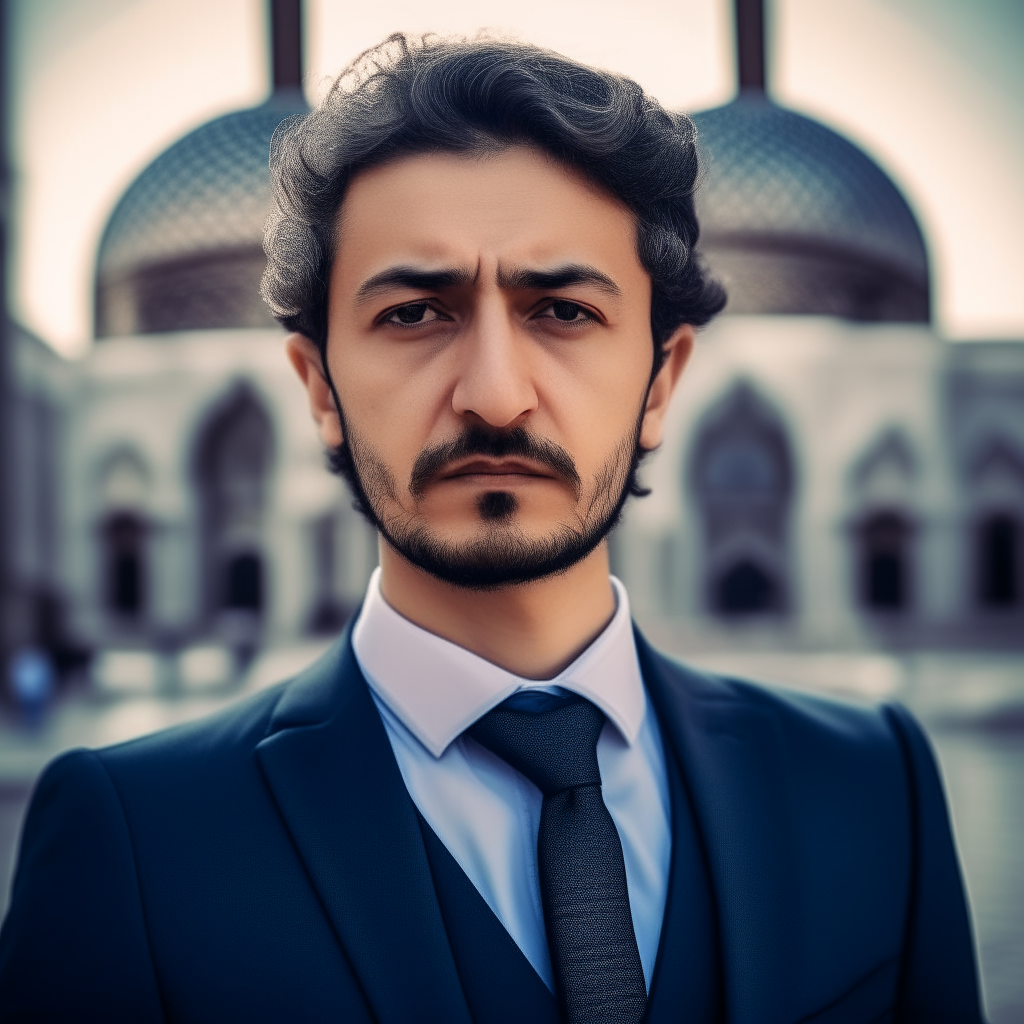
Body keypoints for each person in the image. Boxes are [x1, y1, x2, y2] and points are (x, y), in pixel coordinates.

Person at [0, 35, 982, 1023]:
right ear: (319, 388)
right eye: (416, 313)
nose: (496, 396)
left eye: (560, 309)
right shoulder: (135, 838)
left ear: (661, 382)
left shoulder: (871, 789)